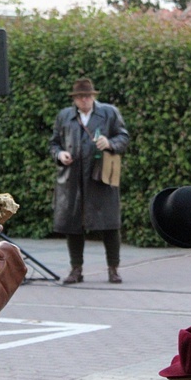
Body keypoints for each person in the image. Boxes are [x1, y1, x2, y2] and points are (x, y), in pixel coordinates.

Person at [49, 77, 129, 284]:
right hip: (72, 178)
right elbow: (54, 143)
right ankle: (76, 269)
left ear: (93, 96)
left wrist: (110, 143)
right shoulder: (65, 116)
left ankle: (113, 269)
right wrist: (60, 155)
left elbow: (124, 137)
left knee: (110, 224)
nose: (84, 100)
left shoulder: (109, 113)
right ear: (74, 99)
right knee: (73, 224)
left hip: (100, 177)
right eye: (79, 97)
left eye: (87, 96)